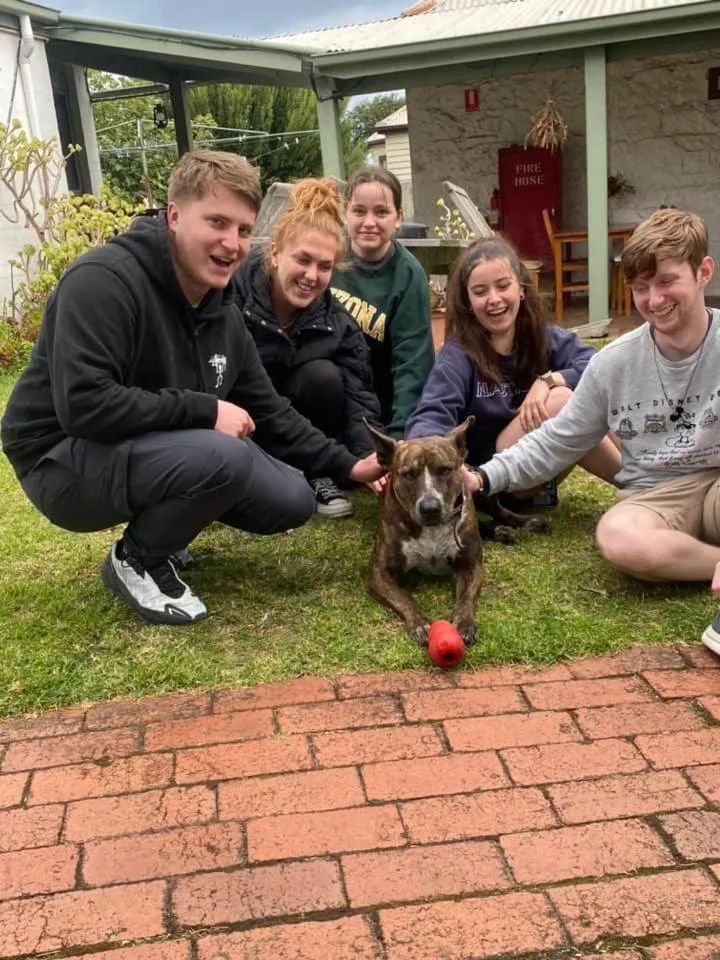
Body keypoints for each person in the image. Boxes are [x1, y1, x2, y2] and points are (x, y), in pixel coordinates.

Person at [0, 150, 383, 627]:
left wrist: (350, 464)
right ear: (174, 215)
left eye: (243, 230)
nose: (232, 243)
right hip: (59, 460)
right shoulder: (102, 282)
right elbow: (83, 406)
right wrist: (205, 410)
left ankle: (164, 529)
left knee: (292, 498)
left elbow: (272, 411)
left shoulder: (219, 306)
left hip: (139, 446)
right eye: (217, 222)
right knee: (226, 455)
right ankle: (138, 558)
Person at [463, 209, 720, 656]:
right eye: (641, 288)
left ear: (703, 272)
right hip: (653, 496)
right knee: (618, 537)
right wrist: (483, 478)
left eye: (666, 282)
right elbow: (558, 439)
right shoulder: (614, 363)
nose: (654, 300)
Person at [405, 236, 621, 501]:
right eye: (480, 291)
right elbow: (432, 413)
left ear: (521, 288)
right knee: (562, 402)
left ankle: (649, 477)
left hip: (543, 465)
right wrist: (421, 451)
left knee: (592, 393)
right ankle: (644, 486)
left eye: (503, 285)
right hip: (492, 479)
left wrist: (549, 380)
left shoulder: (541, 337)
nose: (494, 299)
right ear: (468, 301)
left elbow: (600, 366)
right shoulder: (458, 355)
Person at [233, 177, 382, 520]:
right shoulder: (232, 298)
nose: (311, 275)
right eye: (303, 260)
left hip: (303, 432)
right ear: (274, 252)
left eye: (324, 266)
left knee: (324, 376)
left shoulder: (338, 322)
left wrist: (369, 457)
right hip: (245, 423)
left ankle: (319, 473)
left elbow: (359, 395)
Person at [331, 166, 435, 438]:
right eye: (359, 211)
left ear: (398, 218)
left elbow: (412, 363)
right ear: (345, 214)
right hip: (330, 391)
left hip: (382, 404)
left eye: (381, 212)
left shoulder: (408, 275)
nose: (369, 222)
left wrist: (398, 438)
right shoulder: (329, 257)